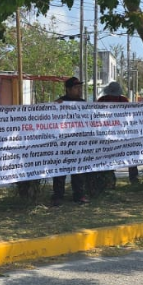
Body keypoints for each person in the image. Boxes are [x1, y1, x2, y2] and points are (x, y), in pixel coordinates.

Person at [52, 77, 91, 206]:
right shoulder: (60, 102)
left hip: (78, 142)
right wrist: (55, 106)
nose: (79, 90)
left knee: (78, 171)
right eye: (76, 87)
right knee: (60, 170)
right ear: (68, 89)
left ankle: (79, 195)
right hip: (63, 143)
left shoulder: (83, 103)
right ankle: (58, 196)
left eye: (80, 87)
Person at [97, 80, 139, 185]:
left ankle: (110, 180)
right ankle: (133, 179)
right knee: (130, 155)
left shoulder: (102, 100)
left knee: (110, 156)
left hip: (112, 133)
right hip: (118, 133)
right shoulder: (123, 100)